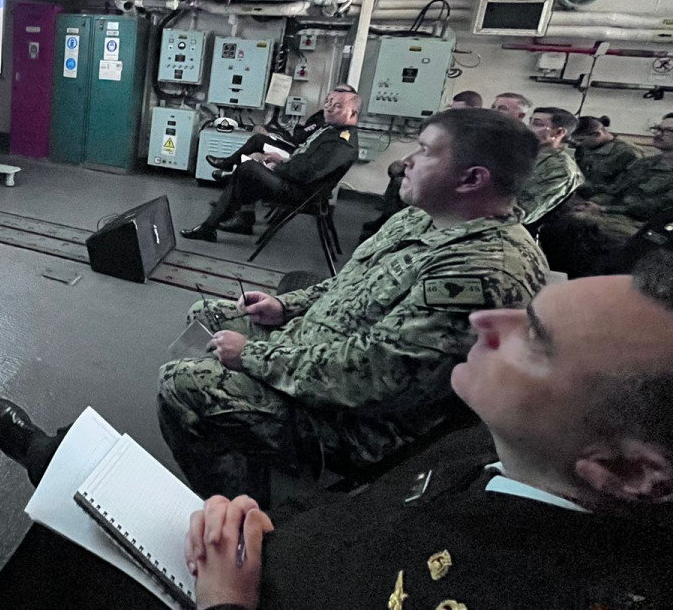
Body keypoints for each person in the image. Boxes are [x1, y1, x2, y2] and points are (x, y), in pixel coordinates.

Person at [0, 257, 673, 609]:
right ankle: (59, 459)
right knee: (82, 492)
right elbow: (370, 511)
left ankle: (52, 461)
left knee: (66, 550)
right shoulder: (484, 447)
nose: (486, 323)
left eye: (537, 341)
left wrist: (227, 602)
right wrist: (266, 521)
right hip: (270, 553)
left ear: (623, 471)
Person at [161, 109, 545, 498]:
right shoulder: (421, 219)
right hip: (318, 352)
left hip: (359, 421)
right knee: (207, 315)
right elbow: (348, 285)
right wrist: (284, 305)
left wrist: (253, 357)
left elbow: (375, 376)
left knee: (183, 384)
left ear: (472, 178)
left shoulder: (482, 270)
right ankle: (240, 439)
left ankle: (247, 523)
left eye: (426, 152)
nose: (406, 161)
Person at [181, 90, 360, 241]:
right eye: (328, 102)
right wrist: (282, 161)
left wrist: (278, 168)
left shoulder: (341, 143)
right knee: (248, 171)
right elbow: (305, 161)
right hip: (297, 181)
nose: (329, 108)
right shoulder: (331, 131)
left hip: (301, 193)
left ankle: (222, 214)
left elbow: (307, 173)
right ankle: (220, 216)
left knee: (248, 169)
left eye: (337, 106)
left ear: (352, 113)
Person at [542, 112, 673, 277]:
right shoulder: (646, 163)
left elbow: (655, 209)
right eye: (657, 129)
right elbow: (615, 189)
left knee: (577, 224)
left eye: (666, 131)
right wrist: (592, 204)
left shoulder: (629, 153)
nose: (658, 134)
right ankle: (558, 276)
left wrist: (603, 209)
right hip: (615, 214)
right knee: (559, 216)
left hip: (646, 225)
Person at [205, 85, 358, 172]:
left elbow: (302, 139)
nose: (330, 106)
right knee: (258, 135)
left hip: (294, 152)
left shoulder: (333, 129)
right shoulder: (322, 115)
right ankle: (230, 169)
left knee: (257, 147)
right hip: (295, 147)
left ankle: (229, 168)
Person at [514, 105, 583, 226]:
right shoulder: (526, 154)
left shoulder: (560, 169)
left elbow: (521, 214)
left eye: (537, 124)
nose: (528, 129)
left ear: (559, 132)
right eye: (530, 122)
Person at [571, 114, 639, 193]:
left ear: (597, 134)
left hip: (609, 197)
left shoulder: (627, 152)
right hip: (583, 193)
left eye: (581, 140)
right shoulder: (585, 148)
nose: (578, 144)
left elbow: (626, 186)